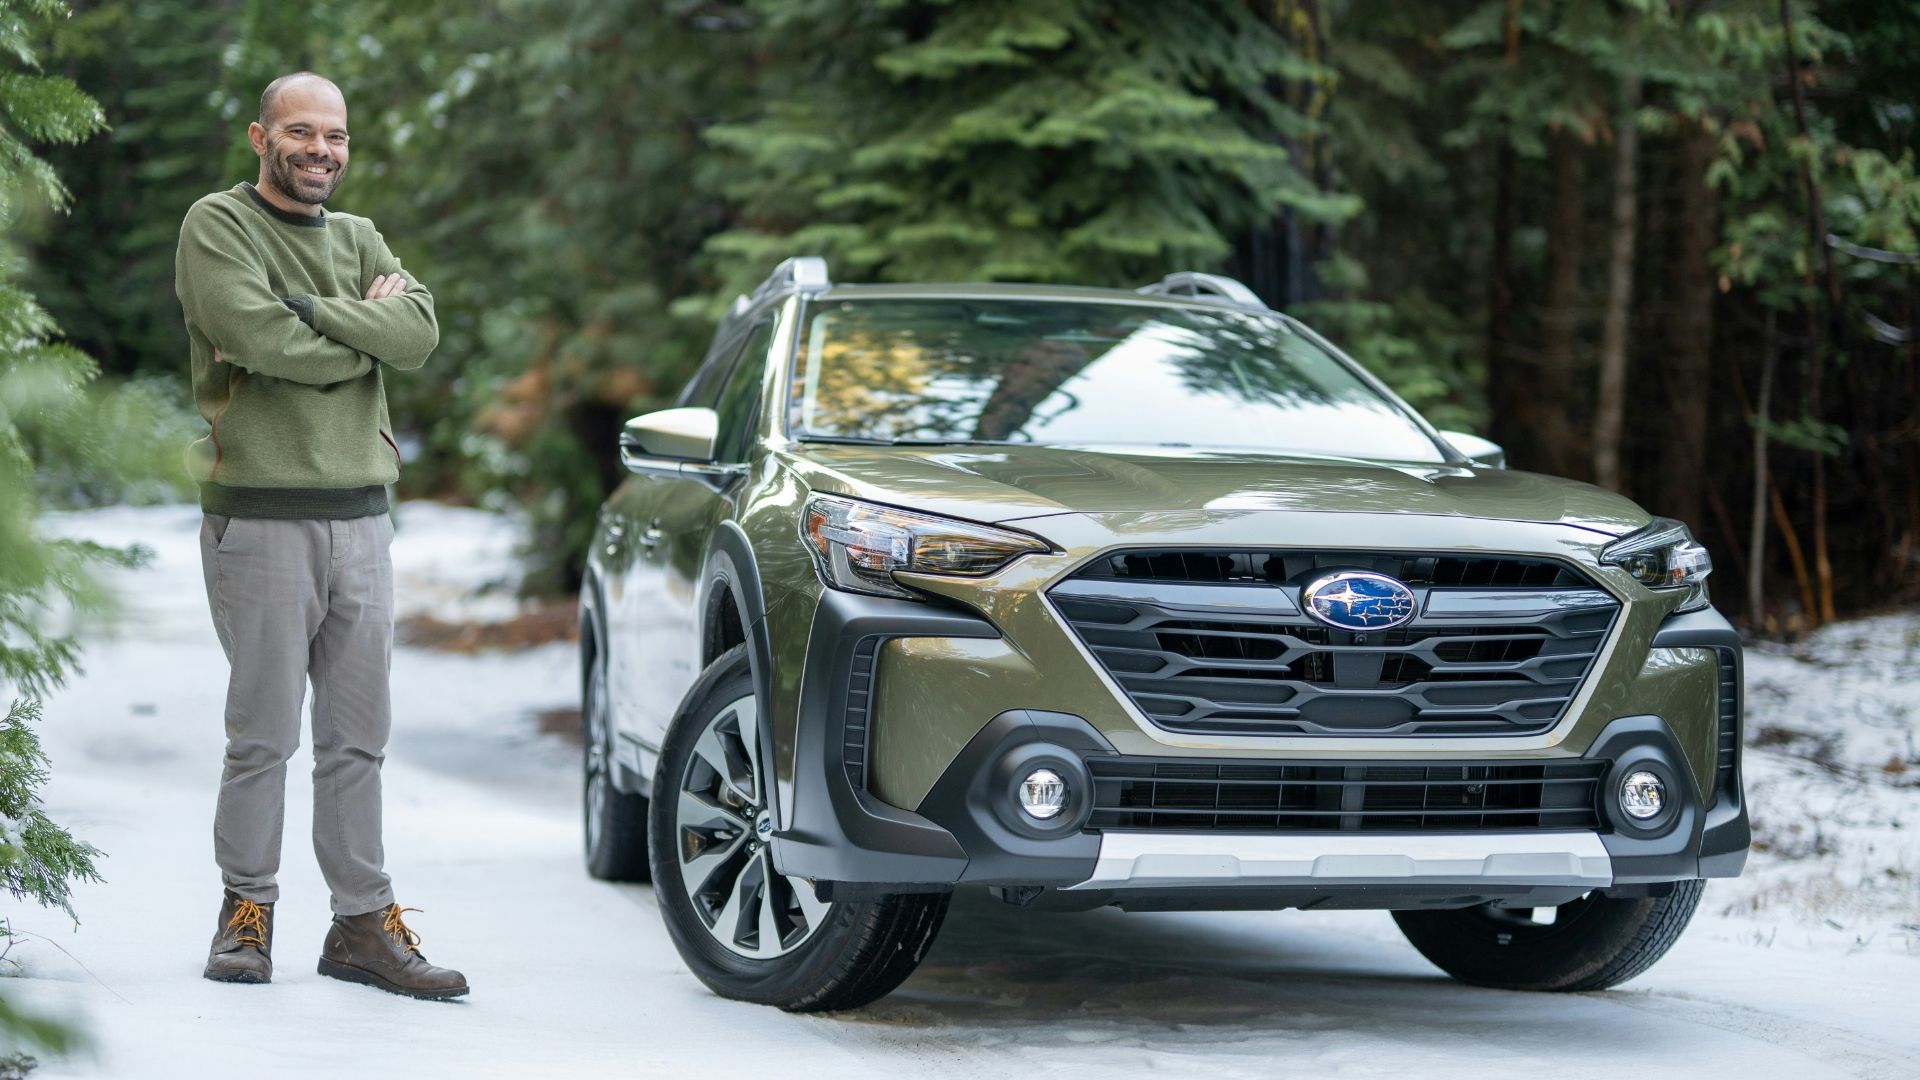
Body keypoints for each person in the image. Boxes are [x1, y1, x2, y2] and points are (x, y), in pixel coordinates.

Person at [175, 71, 466, 1000]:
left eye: (334, 135)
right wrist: (360, 331)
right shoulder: (218, 225)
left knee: (358, 738)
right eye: (300, 132)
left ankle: (360, 925)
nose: (320, 150)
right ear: (261, 137)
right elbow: (257, 338)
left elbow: (418, 334)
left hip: (362, 519)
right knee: (262, 734)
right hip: (260, 514)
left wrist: (311, 311)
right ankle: (246, 914)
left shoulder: (360, 235)